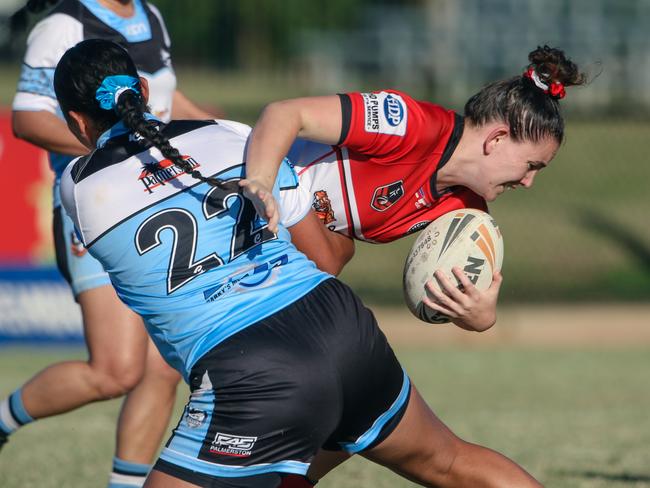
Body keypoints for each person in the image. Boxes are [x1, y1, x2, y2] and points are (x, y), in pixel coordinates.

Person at [55, 38, 543, 488]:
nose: (528, 183)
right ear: (143, 89)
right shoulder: (230, 136)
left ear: (76, 122)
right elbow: (326, 257)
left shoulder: (77, 187)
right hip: (342, 326)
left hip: (251, 367)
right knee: (449, 461)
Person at [0, 1, 214, 486]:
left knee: (162, 368)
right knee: (115, 371)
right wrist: (113, 155)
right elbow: (27, 119)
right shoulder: (65, 25)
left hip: (153, 199)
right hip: (94, 208)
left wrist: (214, 131)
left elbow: (162, 100)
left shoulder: (151, 17)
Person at [245, 45, 586, 334]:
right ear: (496, 139)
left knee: (333, 263)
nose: (528, 182)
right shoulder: (409, 125)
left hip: (267, 241)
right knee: (331, 266)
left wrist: (481, 317)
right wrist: (261, 181)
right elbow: (283, 114)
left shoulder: (466, 212)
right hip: (239, 192)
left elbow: (445, 300)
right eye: (531, 166)